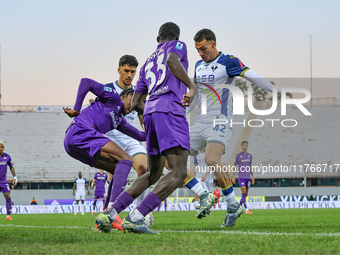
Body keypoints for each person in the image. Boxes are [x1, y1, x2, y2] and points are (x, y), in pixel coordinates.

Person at [95, 22, 200, 234]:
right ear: (176, 37)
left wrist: (154, 108)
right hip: (170, 110)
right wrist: (191, 85)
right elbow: (172, 60)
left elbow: (135, 104)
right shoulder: (177, 46)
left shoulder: (146, 63)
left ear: (157, 39)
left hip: (151, 113)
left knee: (153, 174)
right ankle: (136, 216)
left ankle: (111, 212)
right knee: (179, 172)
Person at [187, 28, 293, 227]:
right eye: (197, 50)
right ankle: (203, 195)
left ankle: (232, 206)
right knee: (171, 156)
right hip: (199, 122)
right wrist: (183, 109)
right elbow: (194, 95)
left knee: (211, 159)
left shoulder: (229, 61)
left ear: (213, 43)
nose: (200, 53)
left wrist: (277, 91)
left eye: (203, 48)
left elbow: (253, 76)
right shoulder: (199, 66)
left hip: (220, 120)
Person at [63, 78, 146, 217]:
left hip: (73, 145)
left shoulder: (119, 121)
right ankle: (113, 211)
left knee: (116, 167)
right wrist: (77, 109)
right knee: (126, 159)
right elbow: (85, 82)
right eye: (132, 101)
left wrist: (160, 130)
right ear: (123, 96)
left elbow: (139, 135)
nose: (133, 107)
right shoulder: (113, 97)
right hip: (80, 130)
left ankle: (106, 213)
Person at [103, 55, 148, 210]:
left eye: (133, 72)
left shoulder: (138, 94)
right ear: (119, 69)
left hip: (130, 138)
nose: (129, 75)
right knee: (116, 174)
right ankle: (109, 208)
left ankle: (139, 209)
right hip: (111, 138)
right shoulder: (108, 89)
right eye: (126, 71)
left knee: (143, 168)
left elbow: (143, 120)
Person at [232, 141, 254, 214]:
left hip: (248, 177)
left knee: (245, 194)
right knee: (243, 192)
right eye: (244, 145)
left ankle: (238, 208)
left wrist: (252, 176)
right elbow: (234, 166)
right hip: (241, 177)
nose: (245, 146)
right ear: (241, 146)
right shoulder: (238, 156)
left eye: (246, 145)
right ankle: (246, 210)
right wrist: (233, 177)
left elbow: (250, 166)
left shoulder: (249, 156)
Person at [0, 141, 18, 220]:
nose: (0, 149)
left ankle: (8, 216)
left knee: (7, 195)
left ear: (3, 148)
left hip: (3, 181)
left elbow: (11, 167)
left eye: (1, 147)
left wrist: (15, 177)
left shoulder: (7, 157)